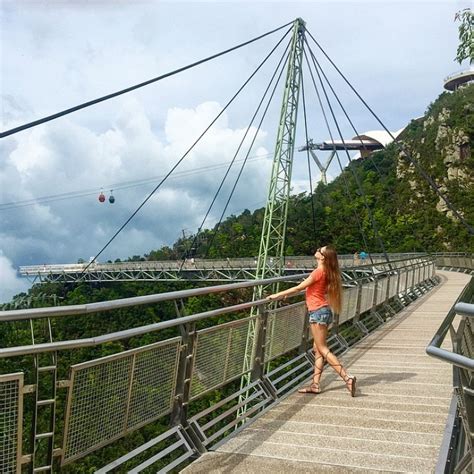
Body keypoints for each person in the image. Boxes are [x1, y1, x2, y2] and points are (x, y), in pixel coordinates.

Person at [267, 245, 357, 397]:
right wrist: (292, 292)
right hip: (324, 311)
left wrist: (278, 295)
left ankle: (347, 377)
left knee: (322, 348)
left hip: (317, 312)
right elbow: (311, 288)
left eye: (319, 250)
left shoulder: (318, 272)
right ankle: (315, 385)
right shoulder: (327, 272)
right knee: (318, 350)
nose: (316, 251)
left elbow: (298, 288)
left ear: (322, 257)